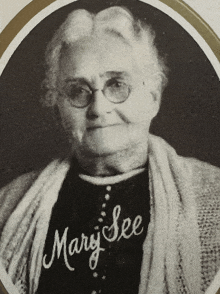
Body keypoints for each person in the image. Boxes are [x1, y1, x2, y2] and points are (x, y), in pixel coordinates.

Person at [0, 5, 220, 294]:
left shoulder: (213, 199)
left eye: (117, 84)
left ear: (152, 98)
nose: (99, 109)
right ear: (58, 109)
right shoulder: (7, 204)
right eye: (78, 91)